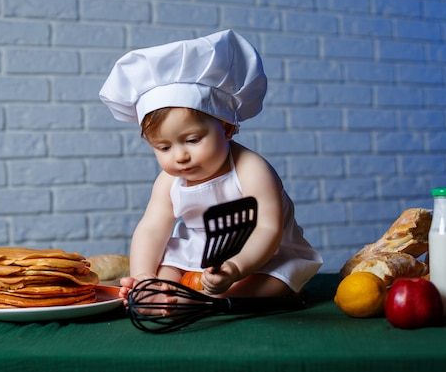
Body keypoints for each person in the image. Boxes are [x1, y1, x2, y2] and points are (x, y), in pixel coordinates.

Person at [99, 29, 322, 302]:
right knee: (167, 269)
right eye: (164, 147)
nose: (180, 156)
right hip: (199, 248)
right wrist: (144, 275)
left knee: (270, 286)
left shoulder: (252, 169)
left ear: (227, 129)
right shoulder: (168, 181)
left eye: (192, 140)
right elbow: (152, 227)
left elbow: (268, 229)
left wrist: (235, 268)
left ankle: (201, 299)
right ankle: (155, 295)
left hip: (259, 253)